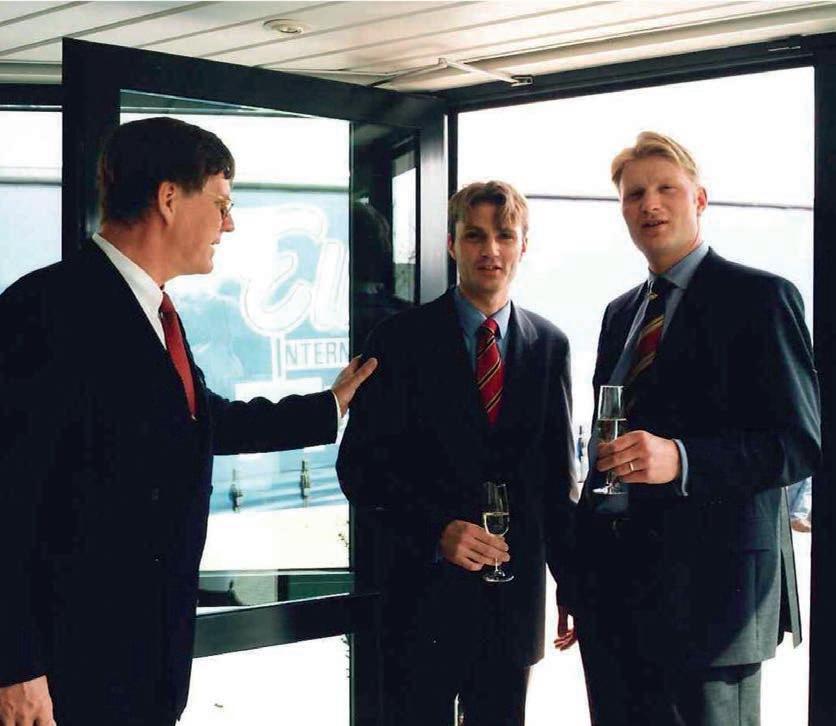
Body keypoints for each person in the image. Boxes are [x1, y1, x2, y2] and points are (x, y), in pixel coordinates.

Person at [0, 116, 376, 726]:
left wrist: (327, 406)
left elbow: (198, 420)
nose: (229, 224)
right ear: (169, 199)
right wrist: (14, 666)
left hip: (141, 663)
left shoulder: (151, 310)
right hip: (68, 673)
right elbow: (7, 503)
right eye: (222, 204)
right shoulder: (44, 311)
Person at [573, 131, 820, 725]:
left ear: (700, 199)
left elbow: (799, 443)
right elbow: (607, 450)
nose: (650, 205)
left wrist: (681, 459)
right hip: (615, 597)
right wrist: (578, 578)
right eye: (635, 195)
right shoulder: (620, 313)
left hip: (713, 605)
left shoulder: (761, 298)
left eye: (667, 189)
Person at [337, 180, 577, 726]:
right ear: (451, 244)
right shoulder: (398, 340)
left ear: (523, 246)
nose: (490, 250)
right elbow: (360, 469)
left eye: (504, 236)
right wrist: (435, 531)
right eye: (474, 236)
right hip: (419, 602)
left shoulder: (550, 345)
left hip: (511, 607)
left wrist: (572, 583)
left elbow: (557, 483)